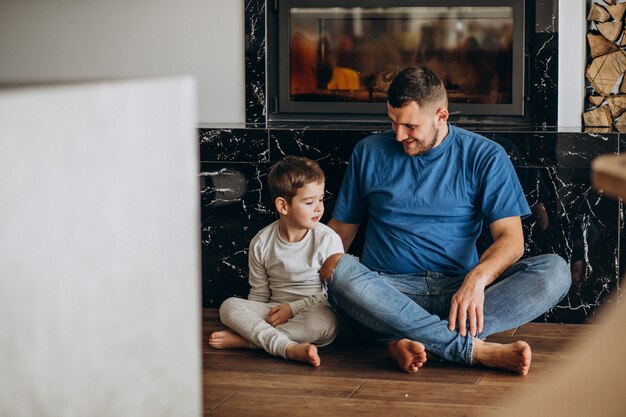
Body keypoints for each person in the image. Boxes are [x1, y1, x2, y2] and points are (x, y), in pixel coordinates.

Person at [319, 66, 571, 375]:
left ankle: (406, 339)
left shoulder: (486, 156)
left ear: (442, 116)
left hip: (459, 296)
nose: (399, 135)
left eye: (410, 126)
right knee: (338, 269)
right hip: (385, 292)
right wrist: (303, 289)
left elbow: (511, 239)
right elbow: (339, 233)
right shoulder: (368, 152)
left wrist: (476, 281)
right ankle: (467, 349)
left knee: (556, 271)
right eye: (393, 122)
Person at [209, 156, 343, 367]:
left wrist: (292, 308)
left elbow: (333, 294)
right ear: (283, 205)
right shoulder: (262, 242)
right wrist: (256, 316)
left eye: (321, 199)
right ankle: (287, 347)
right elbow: (259, 294)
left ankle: (251, 342)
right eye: (309, 202)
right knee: (228, 307)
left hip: (314, 309)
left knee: (325, 321)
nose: (318, 208)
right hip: (273, 311)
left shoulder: (327, 240)